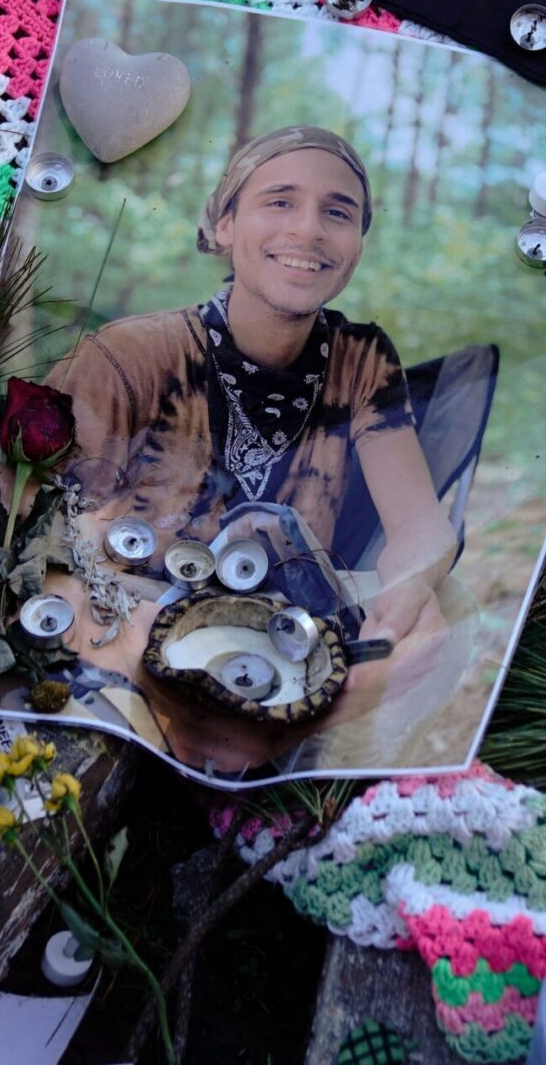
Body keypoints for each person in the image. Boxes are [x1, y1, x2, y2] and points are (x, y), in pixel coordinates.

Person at [35, 126, 461, 773]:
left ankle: (280, 758)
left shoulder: (360, 359)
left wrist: (408, 593)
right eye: (279, 201)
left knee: (446, 619)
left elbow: (420, 524)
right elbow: (38, 542)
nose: (310, 230)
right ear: (225, 223)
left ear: (358, 244)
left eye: (338, 212)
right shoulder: (127, 357)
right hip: (132, 634)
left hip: (282, 642)